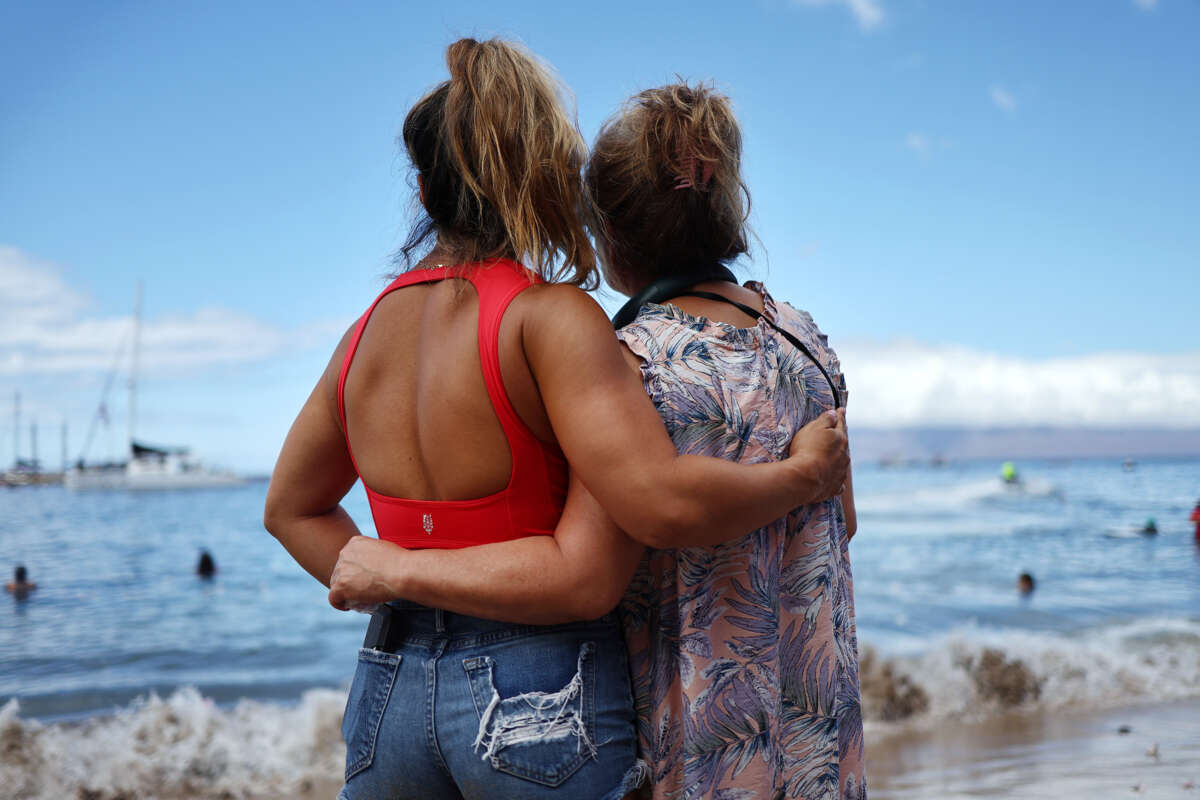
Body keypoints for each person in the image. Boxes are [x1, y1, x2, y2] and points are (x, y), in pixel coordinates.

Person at [265, 42, 849, 800]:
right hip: (537, 692)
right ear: (547, 175)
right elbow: (593, 573)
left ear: (421, 186)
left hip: (391, 688)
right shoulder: (551, 321)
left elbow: (290, 509)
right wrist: (803, 474)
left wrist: (397, 582)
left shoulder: (364, 335)